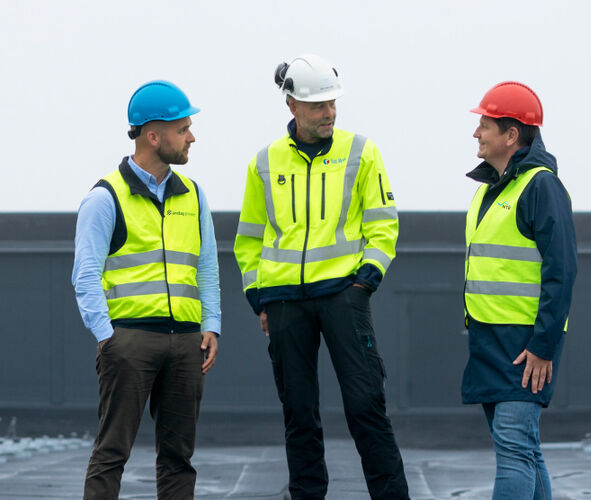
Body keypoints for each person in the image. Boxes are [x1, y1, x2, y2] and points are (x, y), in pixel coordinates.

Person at [233, 54, 410, 500]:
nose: (329, 112)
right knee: (299, 415)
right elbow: (249, 238)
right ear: (291, 105)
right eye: (317, 105)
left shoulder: (361, 152)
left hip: (343, 297)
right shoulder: (263, 163)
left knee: (366, 407)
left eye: (332, 103)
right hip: (285, 302)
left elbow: (383, 225)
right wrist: (260, 298)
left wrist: (364, 281)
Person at [71, 80, 221, 500]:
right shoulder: (105, 198)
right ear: (153, 136)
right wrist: (107, 337)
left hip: (186, 342)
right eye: (183, 128)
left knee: (179, 460)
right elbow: (85, 276)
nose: (192, 136)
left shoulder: (193, 194)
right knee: (111, 454)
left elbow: (206, 265)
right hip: (130, 340)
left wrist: (211, 324)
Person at [462, 81, 578, 499]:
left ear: (512, 135)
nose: (476, 133)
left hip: (526, 346)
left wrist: (543, 345)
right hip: (490, 342)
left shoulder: (540, 187)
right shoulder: (489, 191)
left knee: (513, 450)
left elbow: (562, 271)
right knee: (524, 450)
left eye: (485, 125)